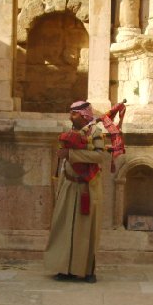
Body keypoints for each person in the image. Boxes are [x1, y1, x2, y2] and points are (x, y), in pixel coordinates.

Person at [44, 100, 105, 283]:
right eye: (70, 113)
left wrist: (70, 155)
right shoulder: (71, 132)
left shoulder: (96, 132)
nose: (71, 116)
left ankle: (87, 271)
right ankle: (65, 269)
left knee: (86, 230)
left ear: (84, 114)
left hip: (87, 188)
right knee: (64, 227)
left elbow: (100, 156)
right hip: (69, 186)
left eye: (74, 113)